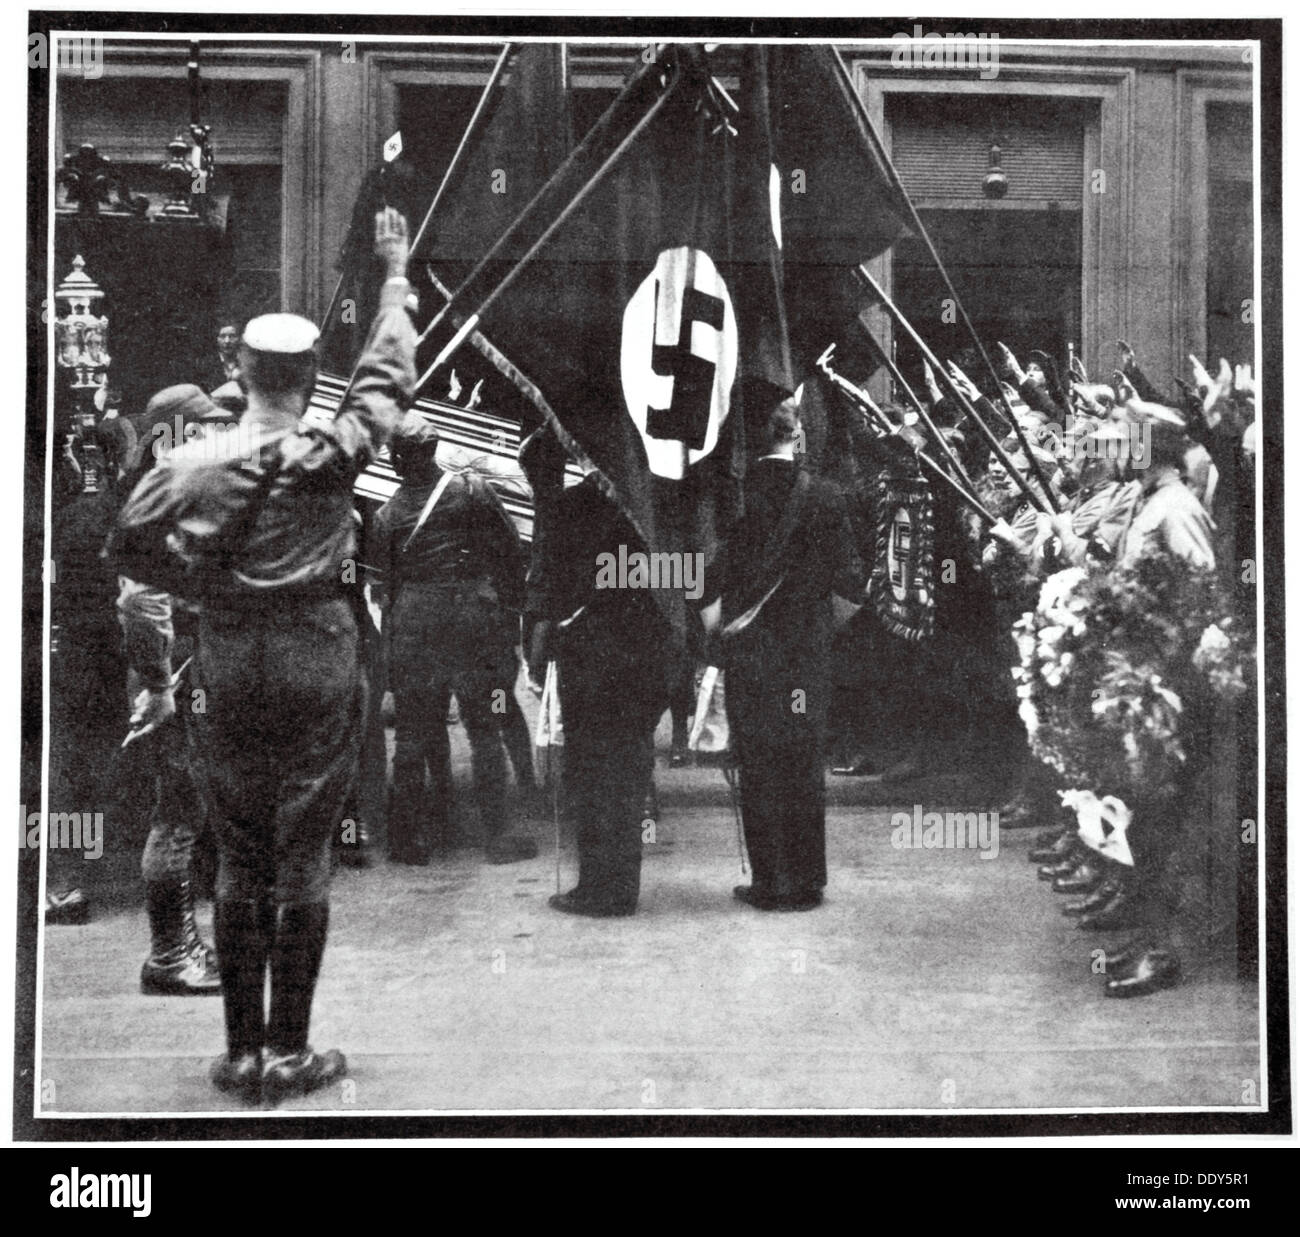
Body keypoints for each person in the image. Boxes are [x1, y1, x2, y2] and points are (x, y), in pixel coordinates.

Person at [112, 207, 415, 1104]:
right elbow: (386, 377)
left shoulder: (198, 459)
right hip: (320, 650)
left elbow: (126, 543)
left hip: (230, 656)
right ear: (313, 374)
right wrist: (394, 269)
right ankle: (292, 1051)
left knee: (237, 852)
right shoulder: (332, 446)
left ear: (239, 370)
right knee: (305, 852)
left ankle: (240, 1054)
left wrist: (202, 586)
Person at [701, 393, 864, 911]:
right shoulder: (828, 496)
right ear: (794, 434)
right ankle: (808, 879)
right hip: (808, 656)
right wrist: (815, 632)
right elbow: (853, 590)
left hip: (752, 653)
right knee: (803, 758)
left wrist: (721, 632)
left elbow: (705, 584)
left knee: (760, 761)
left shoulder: (734, 498)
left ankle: (770, 882)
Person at [370, 411, 535, 865]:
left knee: (411, 734)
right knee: (484, 728)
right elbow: (508, 551)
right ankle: (498, 837)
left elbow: (384, 583)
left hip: (414, 621)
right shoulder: (472, 491)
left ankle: (406, 840)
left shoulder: (386, 516)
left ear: (399, 461)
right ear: (434, 449)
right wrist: (508, 613)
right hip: (470, 618)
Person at [524, 429, 670, 918]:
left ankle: (598, 886)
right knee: (631, 768)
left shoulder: (568, 507)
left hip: (590, 657)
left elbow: (547, 593)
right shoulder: (659, 501)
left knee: (589, 771)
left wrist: (539, 657)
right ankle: (623, 885)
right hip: (647, 653)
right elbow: (681, 578)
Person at [117, 384, 230, 996]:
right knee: (178, 815)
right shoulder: (163, 489)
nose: (216, 434)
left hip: (185, 663)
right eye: (206, 425)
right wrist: (159, 685)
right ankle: (169, 956)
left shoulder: (172, 485)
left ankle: (182, 945)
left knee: (188, 807)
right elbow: (140, 598)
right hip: (175, 670)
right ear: (175, 431)